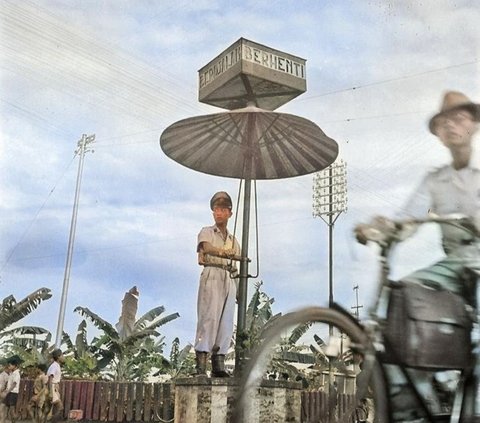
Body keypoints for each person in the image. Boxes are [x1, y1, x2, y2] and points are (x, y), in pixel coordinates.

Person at [355, 91, 480, 419]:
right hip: (454, 266)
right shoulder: (435, 180)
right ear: (439, 134)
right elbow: (408, 218)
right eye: (444, 121)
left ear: (475, 124)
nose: (452, 125)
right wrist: (383, 227)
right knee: (401, 302)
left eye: (460, 117)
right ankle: (411, 409)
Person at [194, 191, 241, 377]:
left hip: (228, 277)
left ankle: (218, 362)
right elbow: (206, 247)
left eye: (222, 209)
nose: (218, 213)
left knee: (226, 321)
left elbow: (235, 266)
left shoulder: (233, 240)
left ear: (230, 212)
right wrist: (222, 253)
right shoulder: (207, 231)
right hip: (212, 272)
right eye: (216, 209)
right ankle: (200, 365)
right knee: (209, 317)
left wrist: (237, 291)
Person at [46, 349, 64, 423]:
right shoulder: (54, 366)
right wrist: (51, 392)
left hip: (54, 388)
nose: (63, 357)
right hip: (52, 387)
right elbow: (50, 378)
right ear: (58, 357)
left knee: (48, 409)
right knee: (60, 407)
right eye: (62, 355)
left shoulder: (56, 365)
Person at [3, 355, 23, 423]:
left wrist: (7, 391)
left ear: (15, 365)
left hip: (13, 393)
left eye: (10, 365)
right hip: (9, 392)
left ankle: (17, 417)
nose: (9, 366)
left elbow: (14, 384)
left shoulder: (16, 373)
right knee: (5, 409)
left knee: (12, 411)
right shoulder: (12, 373)